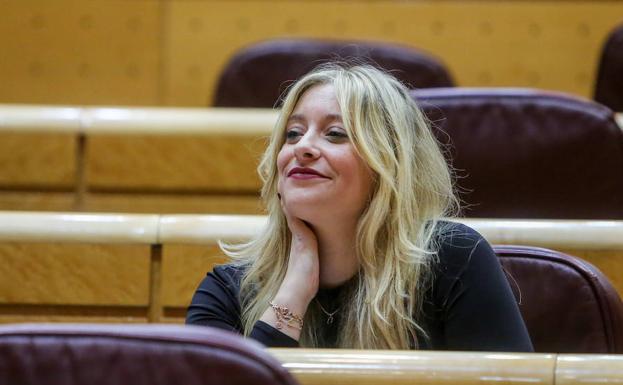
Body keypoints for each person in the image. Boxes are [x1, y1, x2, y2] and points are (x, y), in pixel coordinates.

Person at [187, 63, 533, 351]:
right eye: (292, 134)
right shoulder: (228, 290)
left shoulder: (452, 261)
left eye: (335, 134)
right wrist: (292, 293)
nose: (302, 147)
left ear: (389, 165)